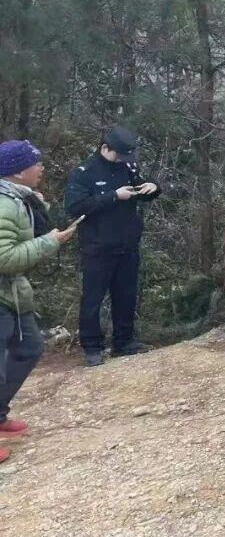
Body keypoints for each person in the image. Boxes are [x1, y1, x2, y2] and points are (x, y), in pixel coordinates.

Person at [0, 140, 78, 464]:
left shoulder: (18, 198)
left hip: (11, 293)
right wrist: (50, 242)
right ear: (18, 171)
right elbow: (4, 258)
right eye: (36, 163)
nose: (42, 168)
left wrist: (38, 209)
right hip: (3, 291)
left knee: (30, 346)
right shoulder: (4, 204)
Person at [64, 127, 162, 367]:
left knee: (126, 295)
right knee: (92, 299)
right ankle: (92, 347)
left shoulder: (127, 168)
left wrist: (152, 188)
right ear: (105, 148)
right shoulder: (84, 173)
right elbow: (76, 207)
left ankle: (124, 341)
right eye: (118, 154)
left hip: (127, 243)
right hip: (97, 246)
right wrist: (113, 196)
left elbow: (139, 190)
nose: (121, 160)